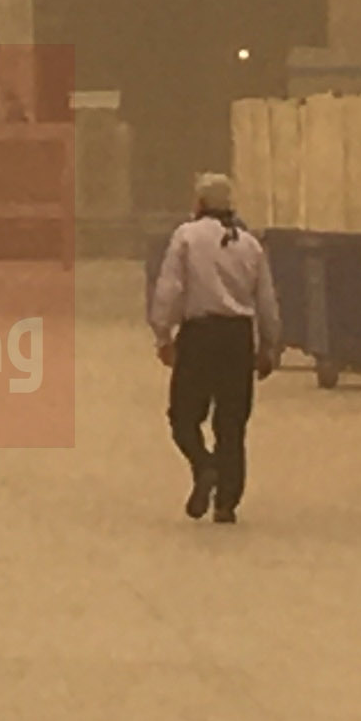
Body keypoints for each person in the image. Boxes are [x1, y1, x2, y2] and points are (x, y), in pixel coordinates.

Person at [147, 173, 279, 523]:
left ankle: (205, 465)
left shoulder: (186, 237)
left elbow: (170, 288)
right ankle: (226, 503)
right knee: (232, 423)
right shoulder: (250, 244)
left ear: (199, 203)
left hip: (199, 337)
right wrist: (268, 345)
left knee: (183, 417)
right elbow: (265, 300)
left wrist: (163, 335)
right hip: (237, 339)